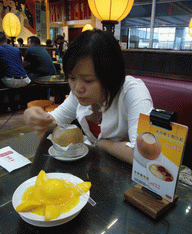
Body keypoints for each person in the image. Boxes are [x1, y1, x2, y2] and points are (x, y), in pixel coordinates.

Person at [23, 29, 153, 165]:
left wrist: (102, 144)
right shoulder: (79, 94)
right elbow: (55, 121)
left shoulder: (132, 92)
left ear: (111, 76)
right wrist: (34, 115)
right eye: (72, 77)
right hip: (97, 168)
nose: (77, 89)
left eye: (88, 80)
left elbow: (143, 155)